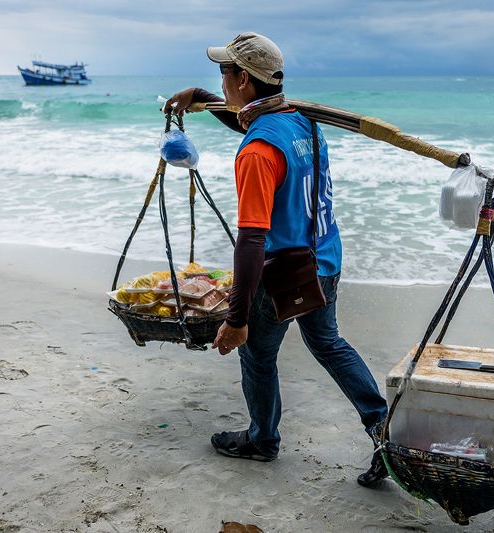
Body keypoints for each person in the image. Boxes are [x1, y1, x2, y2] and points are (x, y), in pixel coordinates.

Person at [163, 32, 389, 487]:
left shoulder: (257, 153)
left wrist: (237, 318)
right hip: (324, 259)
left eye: (223, 74)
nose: (221, 82)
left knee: (257, 353)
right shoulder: (303, 123)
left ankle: (262, 438)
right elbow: (251, 124)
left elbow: (251, 240)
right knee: (329, 344)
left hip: (283, 272)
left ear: (243, 80)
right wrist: (201, 96)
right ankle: (385, 430)